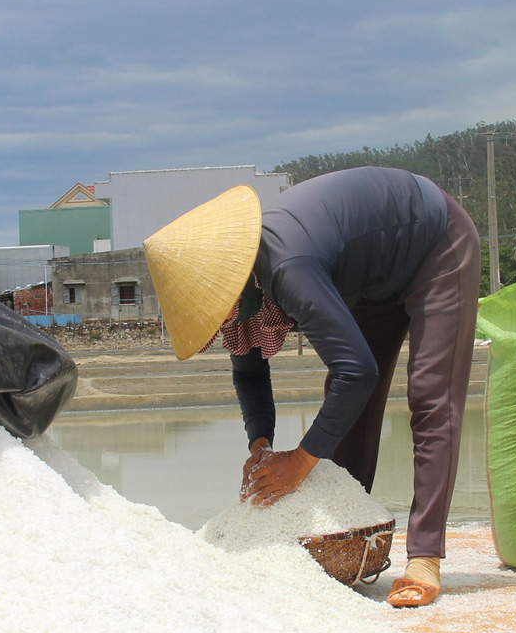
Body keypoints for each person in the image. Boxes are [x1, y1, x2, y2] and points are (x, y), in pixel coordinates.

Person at [142, 168, 480, 607]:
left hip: (434, 243)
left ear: (229, 282)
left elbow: (356, 371)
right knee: (347, 406)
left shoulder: (285, 268)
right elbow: (249, 371)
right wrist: (260, 445)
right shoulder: (243, 292)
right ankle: (344, 536)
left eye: (213, 311)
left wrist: (300, 461)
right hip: (370, 278)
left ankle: (425, 555)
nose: (216, 322)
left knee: (431, 397)